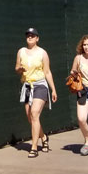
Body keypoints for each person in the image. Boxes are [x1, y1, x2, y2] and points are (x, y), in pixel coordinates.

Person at [14, 27, 58, 157]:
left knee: (34, 113)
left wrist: (53, 89)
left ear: (37, 38)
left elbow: (47, 72)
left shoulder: (43, 53)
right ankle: (43, 137)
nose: (30, 37)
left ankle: (34, 147)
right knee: (30, 117)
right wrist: (19, 69)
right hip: (27, 86)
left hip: (40, 85)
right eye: (28, 35)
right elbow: (16, 68)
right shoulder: (21, 51)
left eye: (33, 36)